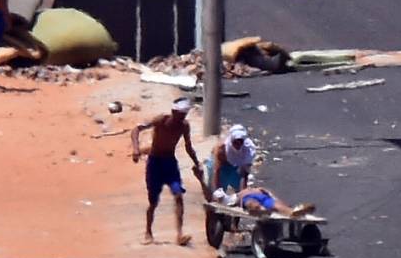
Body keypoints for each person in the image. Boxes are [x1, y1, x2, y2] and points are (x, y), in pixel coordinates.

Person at [130, 99, 202, 246]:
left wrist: (197, 162)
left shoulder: (184, 126)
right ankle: (148, 232)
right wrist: (136, 149)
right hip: (155, 163)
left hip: (170, 163)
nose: (181, 119)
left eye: (184, 115)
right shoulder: (160, 120)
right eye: (180, 115)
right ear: (173, 112)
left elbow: (188, 146)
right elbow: (136, 130)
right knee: (153, 202)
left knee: (178, 195)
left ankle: (180, 234)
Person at [208, 124, 256, 192]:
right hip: (220, 166)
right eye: (235, 142)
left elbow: (245, 173)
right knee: (214, 191)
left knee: (239, 188)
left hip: (235, 166)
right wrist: (218, 191)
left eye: (241, 141)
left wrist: (243, 192)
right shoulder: (222, 148)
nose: (238, 144)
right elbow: (217, 171)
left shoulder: (249, 150)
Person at [212, 187, 315, 218]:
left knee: (257, 204)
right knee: (273, 205)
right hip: (257, 196)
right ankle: (291, 211)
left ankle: (292, 212)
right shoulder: (233, 197)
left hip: (255, 197)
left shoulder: (235, 196)